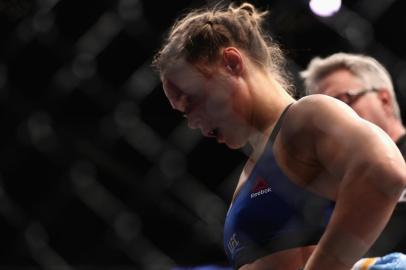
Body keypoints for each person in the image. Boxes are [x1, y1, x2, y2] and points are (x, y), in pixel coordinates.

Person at [152, 3, 406, 270]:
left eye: (192, 100)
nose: (192, 122)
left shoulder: (305, 117)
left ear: (231, 63)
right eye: (183, 112)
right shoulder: (252, 169)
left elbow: (385, 171)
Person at [301, 52, 406, 256]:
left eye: (343, 101)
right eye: (324, 117)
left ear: (384, 100)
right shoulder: (328, 198)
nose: (336, 121)